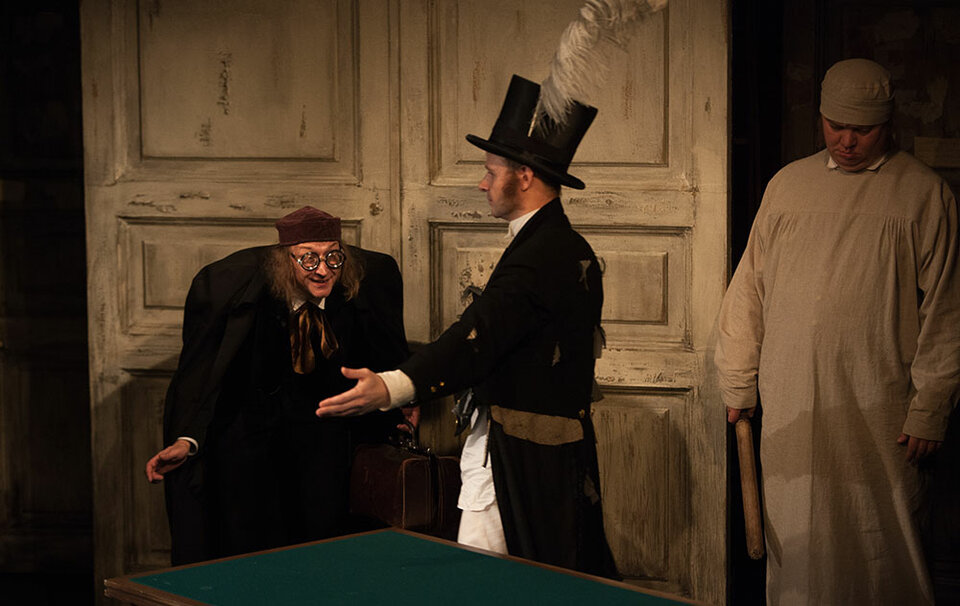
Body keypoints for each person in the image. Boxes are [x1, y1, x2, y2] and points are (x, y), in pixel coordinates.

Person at [316, 75, 617, 578]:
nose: (482, 183)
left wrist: (393, 386)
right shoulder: (550, 244)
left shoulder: (544, 253)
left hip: (524, 457)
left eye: (490, 171)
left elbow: (477, 337)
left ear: (524, 176)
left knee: (494, 581)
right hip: (526, 450)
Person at [716, 58, 959, 604]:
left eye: (863, 130)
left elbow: (947, 311)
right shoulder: (787, 186)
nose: (847, 142)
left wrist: (930, 406)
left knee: (882, 539)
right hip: (793, 398)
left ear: (888, 124)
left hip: (878, 404)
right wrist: (738, 377)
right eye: (836, 126)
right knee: (799, 537)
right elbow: (749, 289)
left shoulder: (923, 194)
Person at [144, 207, 410, 565]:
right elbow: (205, 379)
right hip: (254, 451)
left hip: (327, 450)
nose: (323, 270)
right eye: (308, 259)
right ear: (286, 261)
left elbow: (386, 356)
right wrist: (187, 440)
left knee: (325, 552)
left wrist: (402, 405)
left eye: (333, 257)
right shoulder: (242, 296)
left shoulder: (360, 294)